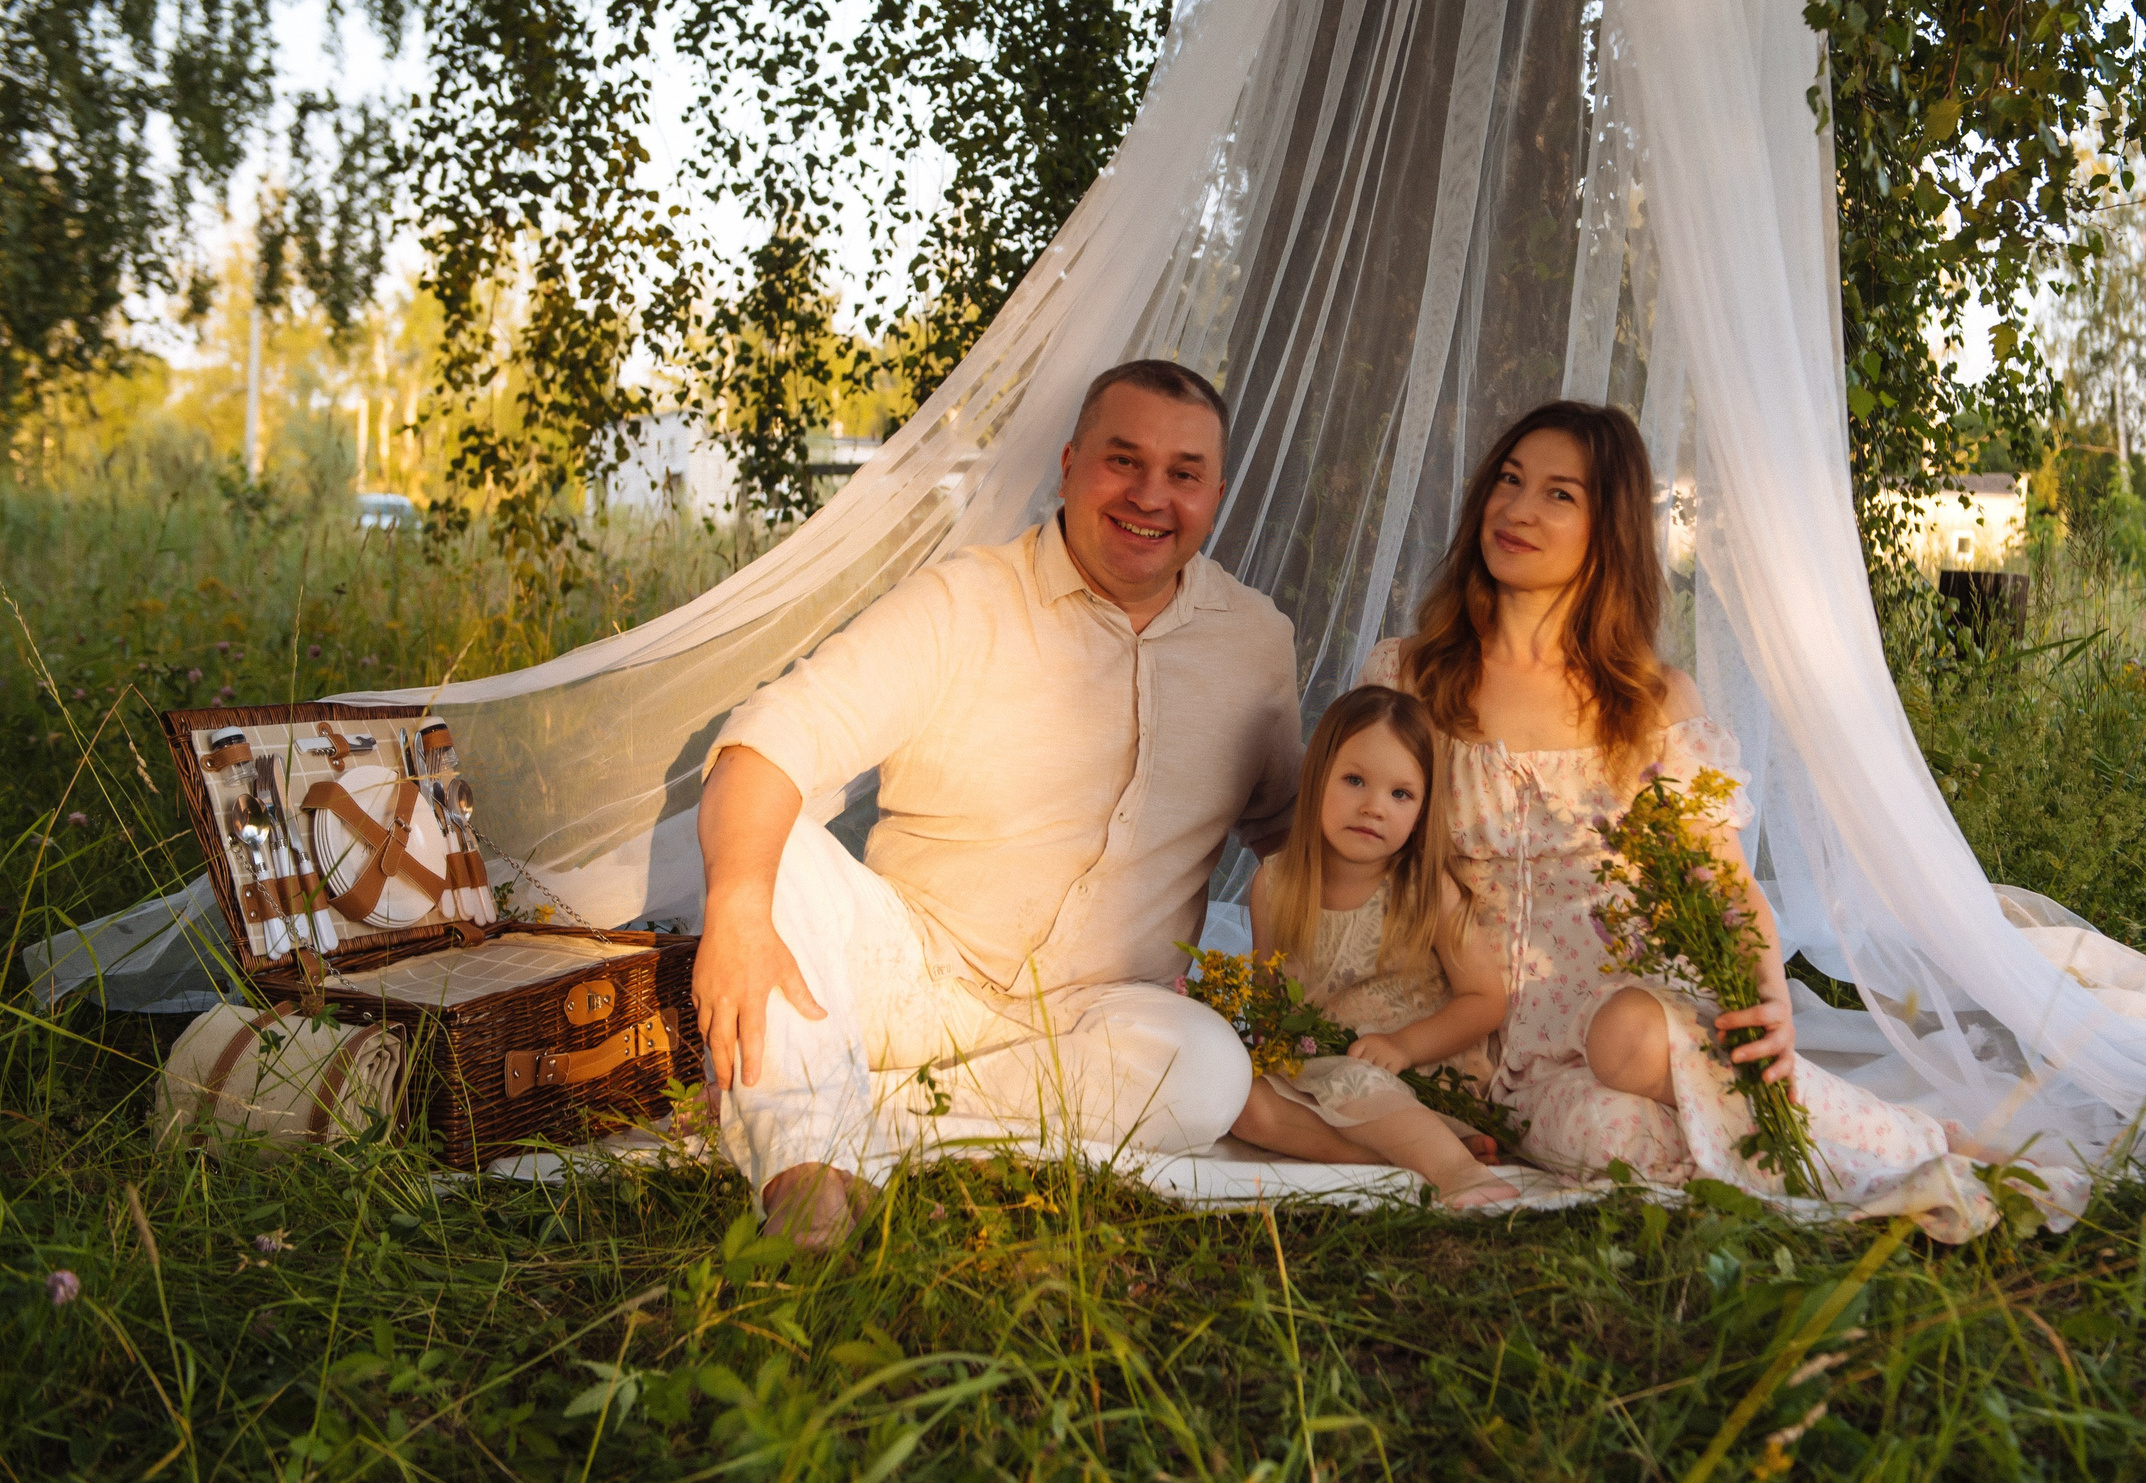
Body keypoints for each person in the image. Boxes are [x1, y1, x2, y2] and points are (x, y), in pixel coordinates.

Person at [1359, 400, 2033, 1242]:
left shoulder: (1650, 700)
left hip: (1630, 1000)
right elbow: (1355, 849)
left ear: (1609, 529)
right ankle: (1873, 1151)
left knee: (1635, 1042)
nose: (1518, 508)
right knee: (1624, 1136)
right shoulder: (1410, 675)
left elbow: (1721, 875)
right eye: (1508, 479)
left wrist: (1770, 1000)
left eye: (1559, 494)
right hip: (1488, 1032)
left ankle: (1914, 1149)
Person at [692, 361, 1302, 1247]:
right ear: (1068, 462)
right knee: (771, 852)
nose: (1150, 495)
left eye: (1184, 474)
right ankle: (808, 1181)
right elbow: (768, 740)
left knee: (1207, 1072)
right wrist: (737, 910)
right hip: (910, 972)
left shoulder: (1256, 641)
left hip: (1098, 1015)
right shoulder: (963, 599)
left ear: (1215, 492)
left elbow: (1291, 834)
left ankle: (863, 1111)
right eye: (1121, 460)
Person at [1225, 686, 1519, 1208]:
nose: (1373, 807)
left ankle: (1457, 1171)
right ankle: (1406, 1156)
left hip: (1422, 1075)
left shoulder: (1423, 889)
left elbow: (1485, 1000)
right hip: (1321, 1073)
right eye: (1355, 780)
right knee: (1239, 1102)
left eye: (1400, 794)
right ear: (1317, 782)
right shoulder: (1277, 884)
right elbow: (1267, 994)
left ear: (1424, 807)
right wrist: (1254, 1046)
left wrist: (1403, 1045)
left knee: (1356, 1079)